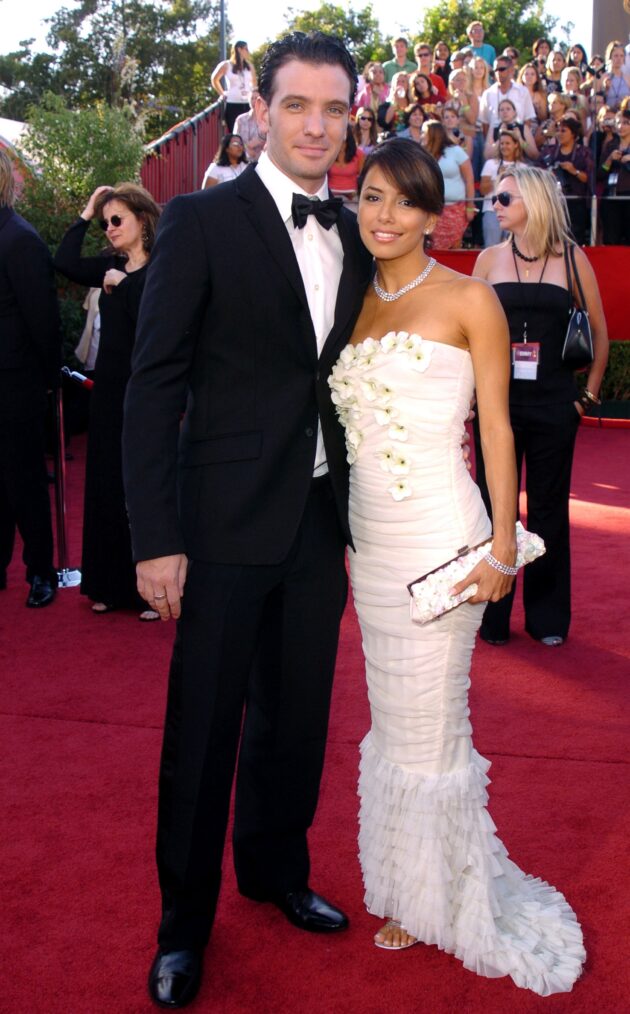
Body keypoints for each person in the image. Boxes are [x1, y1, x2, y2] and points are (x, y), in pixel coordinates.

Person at [122, 31, 373, 1010]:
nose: (319, 125)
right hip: (220, 525)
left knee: (298, 716)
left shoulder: (357, 230)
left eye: (336, 109)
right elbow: (154, 385)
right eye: (300, 106)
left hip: (317, 520)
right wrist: (156, 536)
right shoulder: (199, 219)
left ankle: (274, 871)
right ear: (258, 111)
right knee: (205, 726)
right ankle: (183, 925)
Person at [329, 137, 585, 994]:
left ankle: (442, 896)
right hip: (369, 543)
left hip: (445, 535)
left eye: (404, 202)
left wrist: (505, 548)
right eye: (370, 198)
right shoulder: (350, 302)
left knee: (432, 725)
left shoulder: (471, 298)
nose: (385, 217)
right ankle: (409, 882)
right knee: (393, 719)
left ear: (437, 215)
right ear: (355, 202)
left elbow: (500, 427)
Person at [473, 165, 608, 647]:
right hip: (498, 408)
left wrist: (585, 398)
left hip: (554, 406)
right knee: (493, 510)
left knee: (549, 511)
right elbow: (470, 338)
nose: (495, 205)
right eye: (494, 198)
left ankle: (547, 620)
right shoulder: (487, 260)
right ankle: (491, 617)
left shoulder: (572, 259)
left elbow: (600, 333)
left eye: (505, 198)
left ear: (533, 200)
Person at [54, 183, 161, 619]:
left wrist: (127, 287)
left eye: (118, 219)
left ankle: (149, 591)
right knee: (105, 484)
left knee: (145, 489)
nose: (111, 228)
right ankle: (108, 584)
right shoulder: (109, 267)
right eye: (106, 222)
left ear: (141, 219)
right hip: (108, 392)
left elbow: (157, 325)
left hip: (147, 392)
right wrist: (84, 213)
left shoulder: (162, 268)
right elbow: (62, 263)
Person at [0, 148, 60, 606]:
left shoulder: (21, 240)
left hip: (16, 385)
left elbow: (43, 321)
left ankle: (42, 571)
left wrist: (46, 382)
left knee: (23, 480)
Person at [538, 116, 593, 245]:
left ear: (573, 134)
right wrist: (547, 173)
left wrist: (574, 171)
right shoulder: (549, 152)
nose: (559, 134)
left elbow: (589, 178)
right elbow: (536, 171)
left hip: (575, 203)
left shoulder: (583, 152)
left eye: (564, 131)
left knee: (574, 240)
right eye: (558, 130)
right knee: (552, 239)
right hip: (553, 202)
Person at [421, 120, 475, 248]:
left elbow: (469, 179)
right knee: (436, 248)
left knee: (455, 246)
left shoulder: (456, 151)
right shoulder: (424, 155)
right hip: (434, 211)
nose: (421, 136)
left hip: (456, 209)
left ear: (434, 134)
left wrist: (470, 207)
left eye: (424, 132)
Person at [479, 129, 525, 246]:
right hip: (492, 211)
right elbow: (483, 190)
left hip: (516, 213)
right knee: (491, 247)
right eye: (502, 143)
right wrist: (498, 176)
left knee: (515, 248)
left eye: (507, 143)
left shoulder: (524, 168)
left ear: (516, 145)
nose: (504, 146)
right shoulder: (490, 164)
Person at [480, 56, 536, 137]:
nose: (498, 73)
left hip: (517, 139)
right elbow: (485, 123)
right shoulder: (488, 94)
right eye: (495, 70)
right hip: (494, 141)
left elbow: (527, 119)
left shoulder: (522, 91)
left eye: (501, 69)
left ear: (511, 70)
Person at [211, 41, 257, 132]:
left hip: (247, 104)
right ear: (239, 49)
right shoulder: (226, 65)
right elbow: (214, 79)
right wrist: (222, 93)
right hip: (232, 103)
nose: (248, 52)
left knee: (249, 131)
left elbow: (254, 84)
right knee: (235, 132)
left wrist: (253, 97)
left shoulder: (249, 66)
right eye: (246, 49)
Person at [600, 108, 630, 243]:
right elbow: (601, 172)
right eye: (618, 123)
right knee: (611, 237)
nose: (621, 126)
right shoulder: (611, 145)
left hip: (628, 195)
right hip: (612, 196)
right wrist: (609, 160)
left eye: (626, 123)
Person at [328, 125, 365, 211]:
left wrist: (357, 192)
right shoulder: (328, 152)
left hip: (352, 197)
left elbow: (364, 177)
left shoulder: (359, 154)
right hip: (331, 197)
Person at [233, 90, 265, 162]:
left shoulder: (267, 120)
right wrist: (247, 148)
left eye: (256, 98)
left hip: (263, 161)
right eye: (252, 98)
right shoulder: (240, 119)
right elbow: (234, 141)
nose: (254, 101)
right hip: (243, 160)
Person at [603, 40, 630, 111]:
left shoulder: (627, 78)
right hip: (608, 115)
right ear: (610, 57)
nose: (619, 59)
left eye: (621, 56)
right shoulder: (603, 78)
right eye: (616, 56)